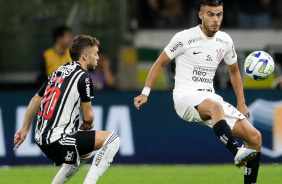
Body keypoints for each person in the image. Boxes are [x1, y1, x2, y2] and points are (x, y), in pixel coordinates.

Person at [134, 1, 261, 183]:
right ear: (200, 15)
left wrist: (241, 102)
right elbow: (160, 63)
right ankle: (237, 152)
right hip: (184, 97)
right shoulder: (184, 38)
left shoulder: (225, 40)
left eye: (219, 14)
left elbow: (234, 71)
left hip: (209, 96)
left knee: (255, 137)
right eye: (210, 14)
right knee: (215, 106)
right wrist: (145, 92)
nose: (216, 19)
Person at [14, 35, 120, 184]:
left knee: (84, 153)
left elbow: (36, 99)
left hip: (42, 138)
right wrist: (88, 124)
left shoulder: (59, 71)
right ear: (85, 56)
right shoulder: (84, 77)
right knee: (113, 140)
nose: (97, 58)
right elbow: (88, 116)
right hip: (58, 139)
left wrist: (24, 129)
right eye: (95, 53)